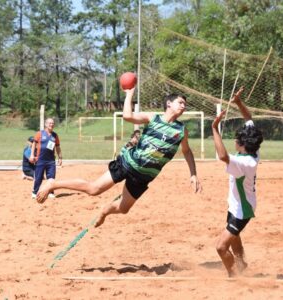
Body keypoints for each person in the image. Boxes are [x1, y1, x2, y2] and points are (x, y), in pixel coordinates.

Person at [36, 87, 202, 228]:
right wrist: (129, 94)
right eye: (180, 102)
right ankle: (53, 183)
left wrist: (193, 174)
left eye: (185, 104)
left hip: (144, 176)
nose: (184, 106)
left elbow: (187, 152)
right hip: (127, 163)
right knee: (94, 189)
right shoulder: (154, 118)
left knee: (123, 209)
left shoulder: (181, 131)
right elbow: (128, 116)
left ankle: (104, 211)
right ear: (169, 104)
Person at [211, 86, 263, 277]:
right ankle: (241, 265)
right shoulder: (252, 149)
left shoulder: (245, 162)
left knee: (221, 247)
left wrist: (214, 128)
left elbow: (223, 156)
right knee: (235, 237)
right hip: (238, 204)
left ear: (242, 145)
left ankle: (235, 276)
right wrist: (239, 102)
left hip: (243, 209)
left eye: (236, 140)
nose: (234, 141)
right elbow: (249, 119)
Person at [29, 118, 62, 199]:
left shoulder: (55, 135)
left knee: (51, 177)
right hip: (40, 159)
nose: (51, 124)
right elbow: (34, 144)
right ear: (46, 124)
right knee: (39, 177)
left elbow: (57, 147)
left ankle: (50, 192)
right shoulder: (39, 133)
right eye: (50, 123)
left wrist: (60, 157)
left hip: (51, 160)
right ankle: (35, 192)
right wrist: (32, 155)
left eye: (53, 123)